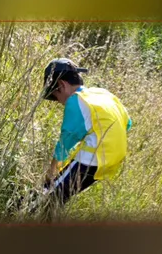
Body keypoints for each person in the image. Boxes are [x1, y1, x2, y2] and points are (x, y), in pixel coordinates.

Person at [40, 58, 132, 206]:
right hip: (113, 158)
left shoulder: (75, 101)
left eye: (56, 97)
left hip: (92, 159)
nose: (60, 102)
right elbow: (128, 123)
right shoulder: (102, 93)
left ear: (61, 85)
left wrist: (50, 172)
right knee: (60, 195)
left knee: (47, 194)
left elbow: (65, 143)